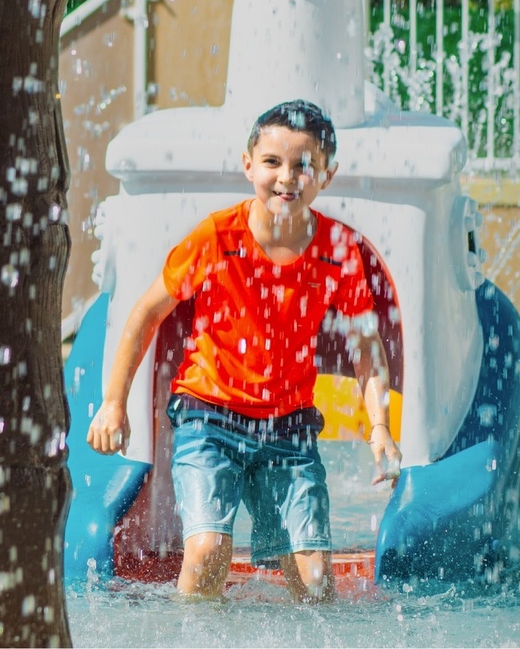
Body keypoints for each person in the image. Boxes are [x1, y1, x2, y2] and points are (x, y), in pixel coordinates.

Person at [86, 100, 402, 603]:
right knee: (208, 550)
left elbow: (367, 348)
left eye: (305, 165)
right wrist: (113, 402)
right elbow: (146, 313)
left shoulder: (337, 250)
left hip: (290, 427)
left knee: (316, 577)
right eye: (273, 162)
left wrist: (380, 429)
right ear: (248, 163)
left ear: (328, 175)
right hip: (208, 418)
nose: (287, 177)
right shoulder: (217, 237)